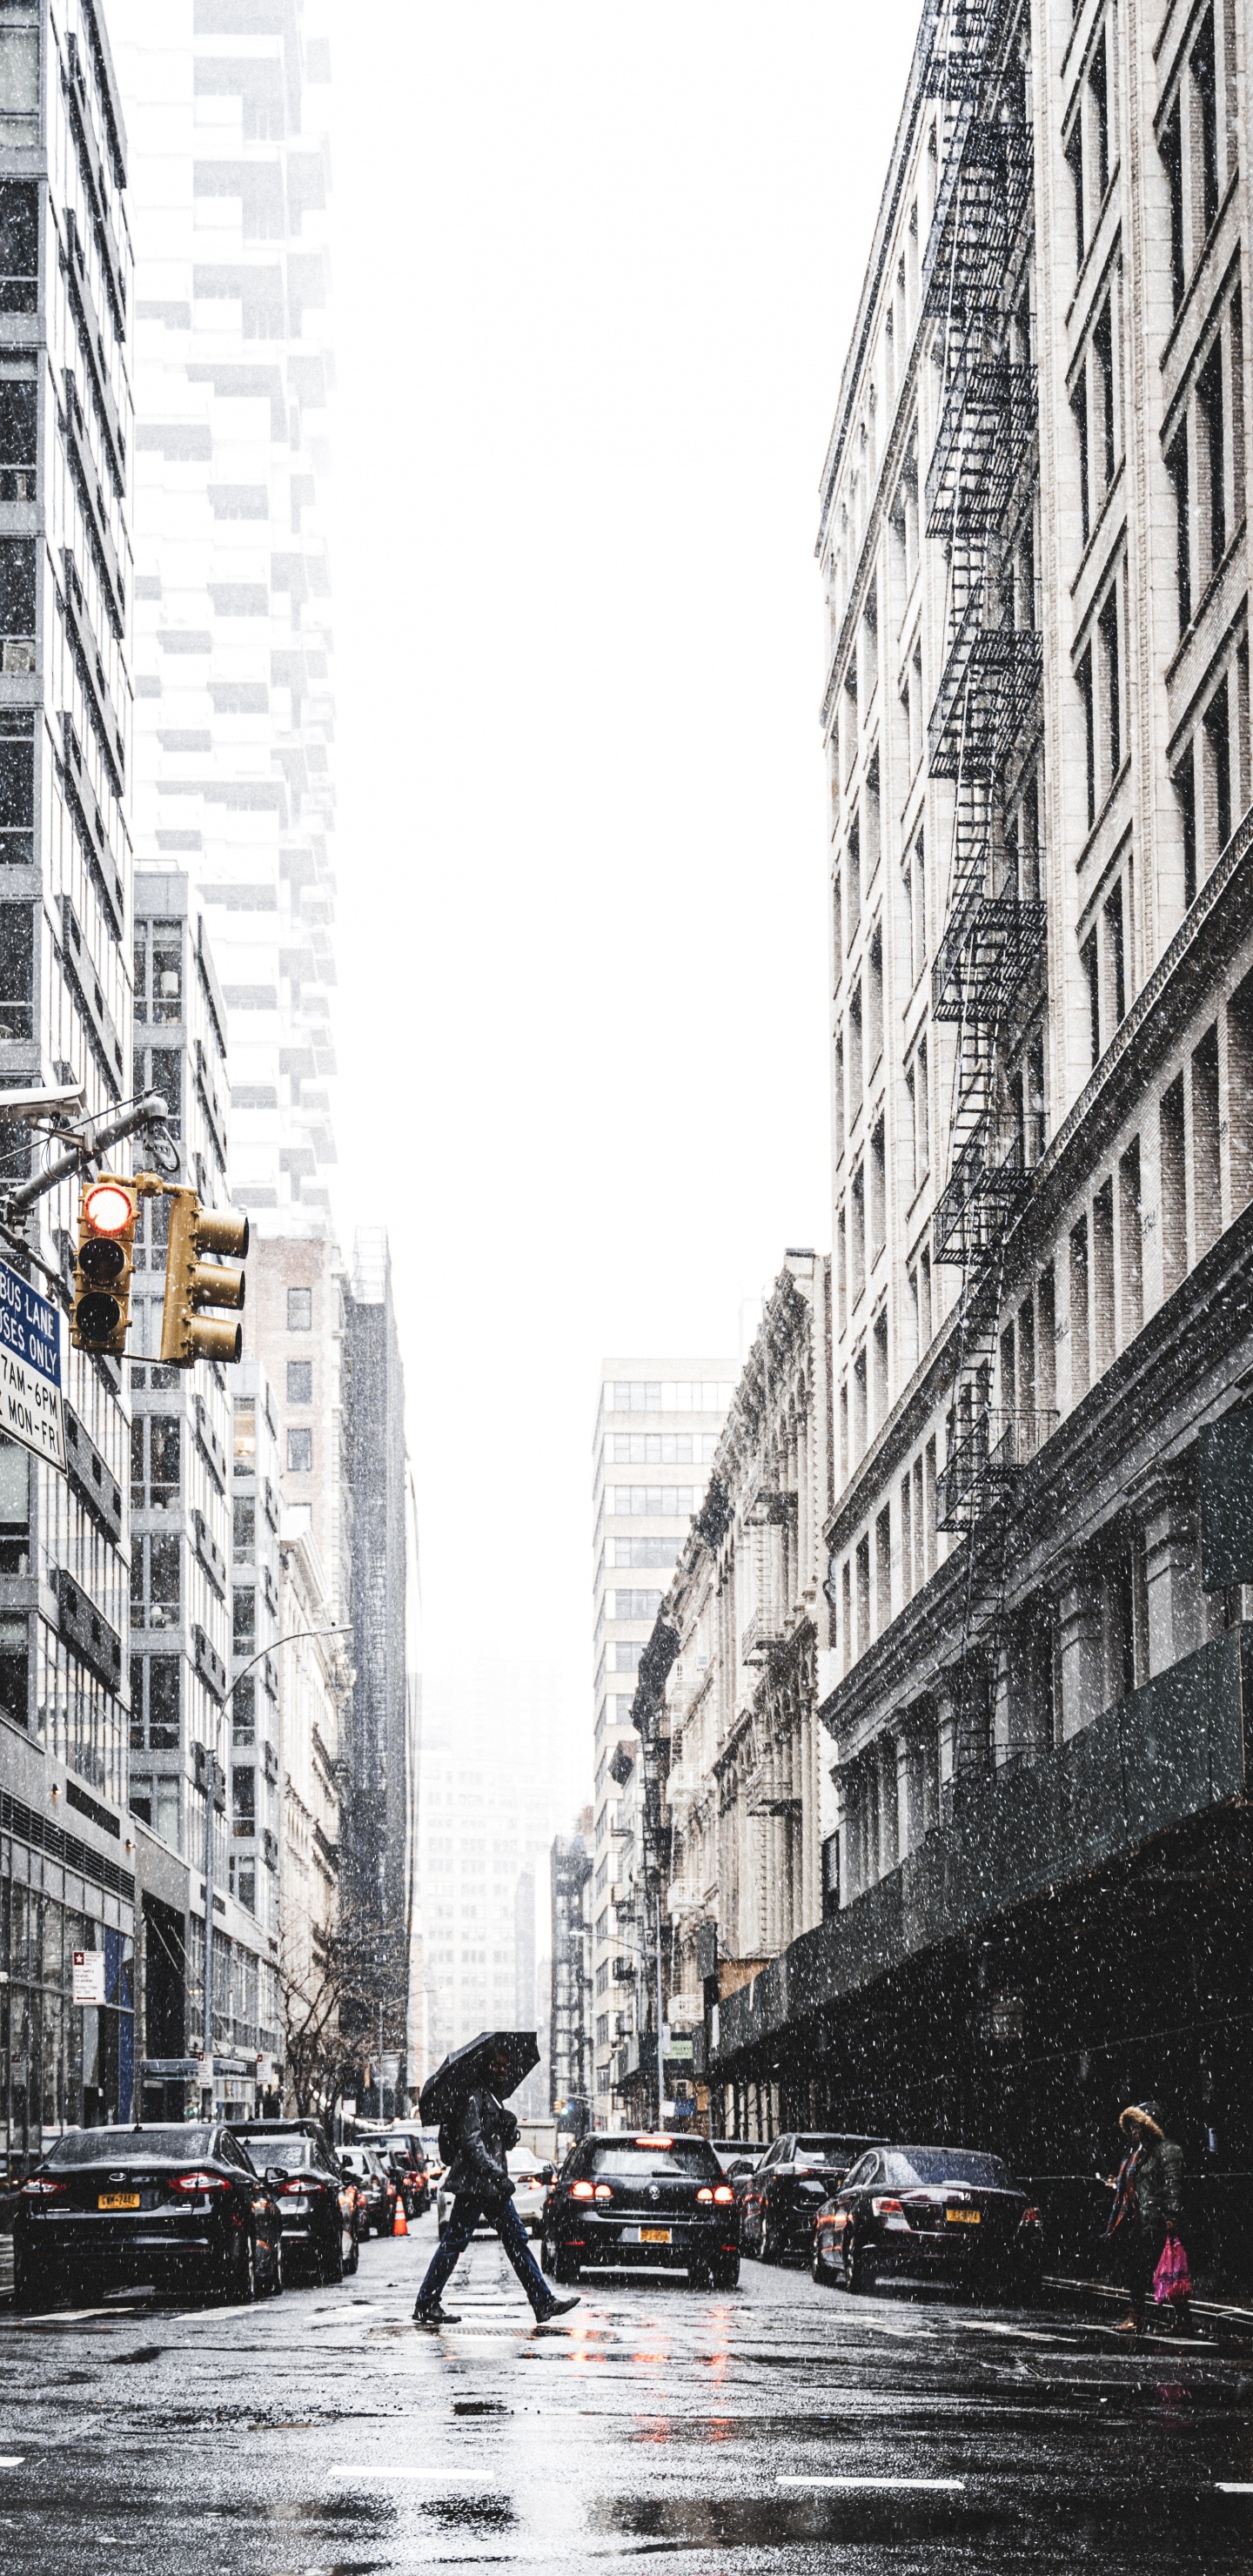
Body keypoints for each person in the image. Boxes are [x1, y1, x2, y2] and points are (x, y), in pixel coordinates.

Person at [413, 2048, 579, 2329]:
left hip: (490, 2187)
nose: (503, 2070)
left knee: (516, 2239)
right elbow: (471, 2142)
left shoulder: (492, 2099)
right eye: (497, 2065)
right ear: (485, 2067)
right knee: (455, 2242)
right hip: (475, 2185)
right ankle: (426, 2302)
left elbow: (491, 2142)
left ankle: (542, 2302)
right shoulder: (474, 2096)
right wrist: (496, 2173)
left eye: (505, 2065)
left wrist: (508, 2134)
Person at [1100, 2097, 1190, 2336]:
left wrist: (1171, 2216)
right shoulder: (1138, 2154)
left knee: (1168, 2270)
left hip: (1157, 2221)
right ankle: (1137, 2316)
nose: (1133, 2131)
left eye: (1137, 2126)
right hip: (1138, 2221)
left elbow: (1173, 2185)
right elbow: (1136, 2185)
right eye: (1131, 2127)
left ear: (1149, 2126)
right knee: (1137, 2270)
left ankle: (1181, 2318)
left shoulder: (1167, 2150)